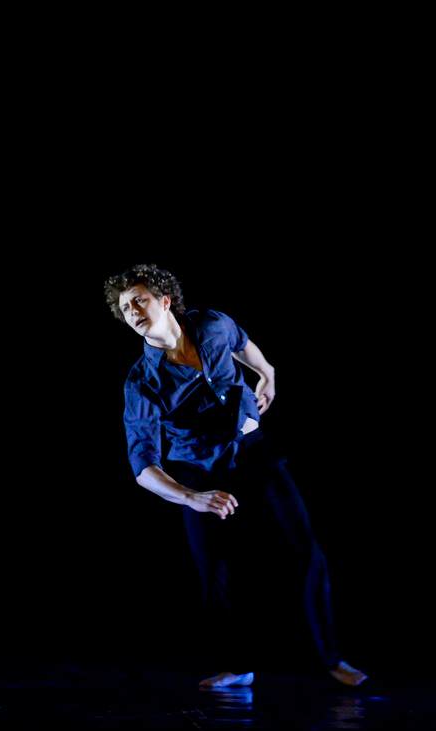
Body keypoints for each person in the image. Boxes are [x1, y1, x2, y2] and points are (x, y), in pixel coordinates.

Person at [104, 264, 367, 688]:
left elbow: (242, 343)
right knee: (217, 572)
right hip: (199, 471)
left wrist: (268, 372)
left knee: (305, 552)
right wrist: (191, 497)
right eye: (125, 308)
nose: (133, 311)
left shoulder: (212, 325)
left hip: (253, 452)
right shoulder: (142, 381)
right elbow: (142, 466)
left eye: (140, 300)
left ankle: (331, 659)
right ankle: (239, 666)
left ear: (164, 301)